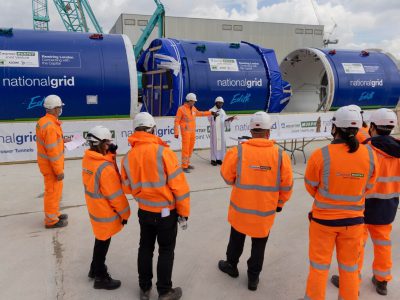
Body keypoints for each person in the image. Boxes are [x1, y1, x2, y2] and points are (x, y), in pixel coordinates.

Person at [303, 106, 378, 300]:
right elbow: (368, 186)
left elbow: (311, 186)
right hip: (353, 224)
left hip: (323, 223)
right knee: (350, 269)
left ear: (335, 128)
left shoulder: (321, 155)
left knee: (319, 268)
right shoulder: (370, 155)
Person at [218, 111, 293, 291]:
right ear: (269, 132)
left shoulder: (238, 151)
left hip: (240, 210)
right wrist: (280, 204)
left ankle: (232, 265)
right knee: (259, 245)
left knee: (236, 239)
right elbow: (287, 185)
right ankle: (253, 278)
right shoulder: (281, 155)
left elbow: (227, 177)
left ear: (251, 131)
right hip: (264, 212)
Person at [121, 112, 190, 300]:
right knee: (166, 250)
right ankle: (164, 291)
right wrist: (183, 212)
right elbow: (179, 187)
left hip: (144, 211)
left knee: (145, 248)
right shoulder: (163, 152)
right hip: (166, 213)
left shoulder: (128, 157)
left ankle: (144, 289)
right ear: (152, 129)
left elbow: (127, 188)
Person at [330, 108, 399, 296]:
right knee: (383, 243)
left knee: (357, 243)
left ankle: (353, 280)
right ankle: (382, 280)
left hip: (363, 206)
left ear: (373, 126)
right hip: (388, 206)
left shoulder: (366, 150)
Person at [83, 125, 131, 290]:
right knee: (103, 241)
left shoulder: (88, 159)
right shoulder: (105, 169)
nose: (110, 144)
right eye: (107, 142)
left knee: (100, 239)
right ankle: (100, 276)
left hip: (95, 208)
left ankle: (94, 268)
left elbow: (102, 165)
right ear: (100, 144)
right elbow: (116, 195)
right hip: (105, 211)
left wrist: (110, 154)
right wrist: (125, 214)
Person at [36, 94, 69, 228]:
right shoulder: (50, 126)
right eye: (59, 107)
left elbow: (51, 144)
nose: (60, 109)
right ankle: (51, 221)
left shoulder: (44, 121)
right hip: (52, 166)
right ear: (55, 109)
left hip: (48, 164)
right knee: (52, 192)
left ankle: (55, 213)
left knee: (56, 190)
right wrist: (58, 171)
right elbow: (52, 152)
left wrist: (63, 141)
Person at [174, 92, 218, 173]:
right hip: (185, 132)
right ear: (189, 100)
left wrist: (211, 113)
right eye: (193, 101)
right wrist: (176, 132)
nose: (194, 102)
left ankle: (187, 163)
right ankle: (184, 166)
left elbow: (200, 113)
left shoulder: (193, 108)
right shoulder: (181, 109)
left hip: (192, 132)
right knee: (186, 149)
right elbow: (176, 121)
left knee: (190, 149)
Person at [208, 96, 235, 166]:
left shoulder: (223, 111)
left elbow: (224, 121)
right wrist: (214, 116)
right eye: (219, 103)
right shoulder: (211, 110)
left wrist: (229, 119)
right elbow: (210, 120)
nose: (220, 104)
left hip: (221, 131)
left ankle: (219, 158)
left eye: (221, 103)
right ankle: (213, 159)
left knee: (221, 145)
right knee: (214, 144)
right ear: (216, 103)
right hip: (215, 132)